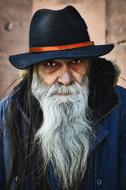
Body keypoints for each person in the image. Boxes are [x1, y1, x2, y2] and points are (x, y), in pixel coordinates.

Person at [0, 5, 126, 190]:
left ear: (89, 65)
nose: (65, 79)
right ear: (34, 71)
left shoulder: (121, 110)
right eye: (51, 64)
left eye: (76, 62)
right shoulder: (6, 115)